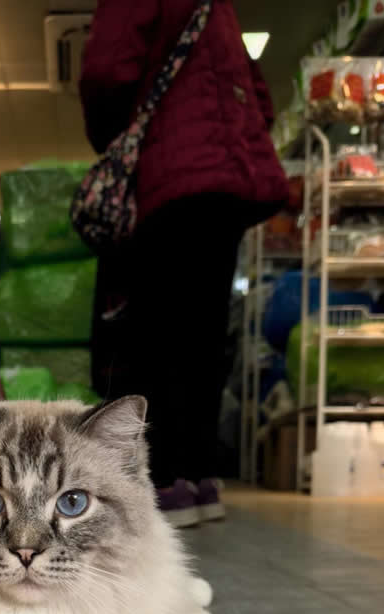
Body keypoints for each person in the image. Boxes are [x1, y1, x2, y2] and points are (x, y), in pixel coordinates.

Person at [80, 0, 289, 526]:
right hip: (228, 181)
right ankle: (199, 481)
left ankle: (164, 481)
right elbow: (259, 99)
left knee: (156, 336)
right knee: (205, 338)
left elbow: (108, 68)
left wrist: (117, 133)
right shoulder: (221, 8)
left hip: (169, 179)